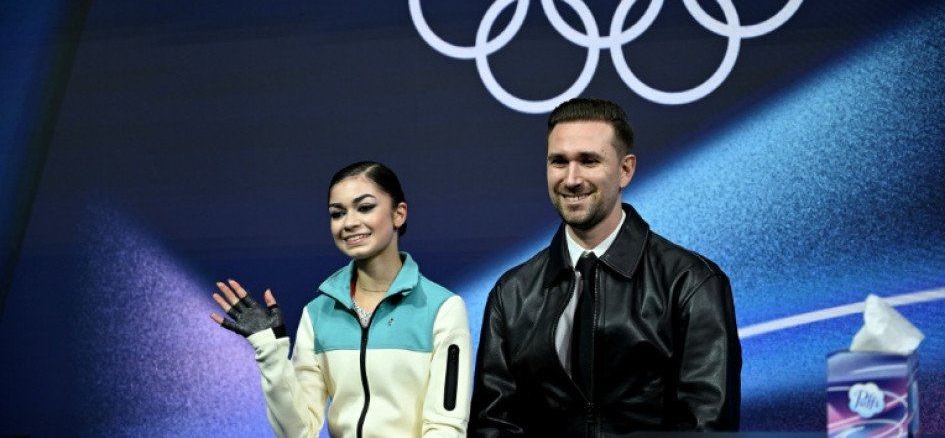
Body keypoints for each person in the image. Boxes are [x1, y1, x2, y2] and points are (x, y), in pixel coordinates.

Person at [468, 98, 741, 437]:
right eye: (558, 162)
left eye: (588, 161)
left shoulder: (691, 283)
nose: (571, 178)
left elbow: (708, 426)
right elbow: (492, 427)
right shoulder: (512, 293)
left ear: (625, 169)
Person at [211, 161, 472, 438]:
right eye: (337, 213)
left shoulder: (442, 309)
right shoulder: (317, 313)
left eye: (365, 207)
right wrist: (271, 354)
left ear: (399, 214)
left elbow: (446, 428)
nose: (349, 223)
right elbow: (299, 432)